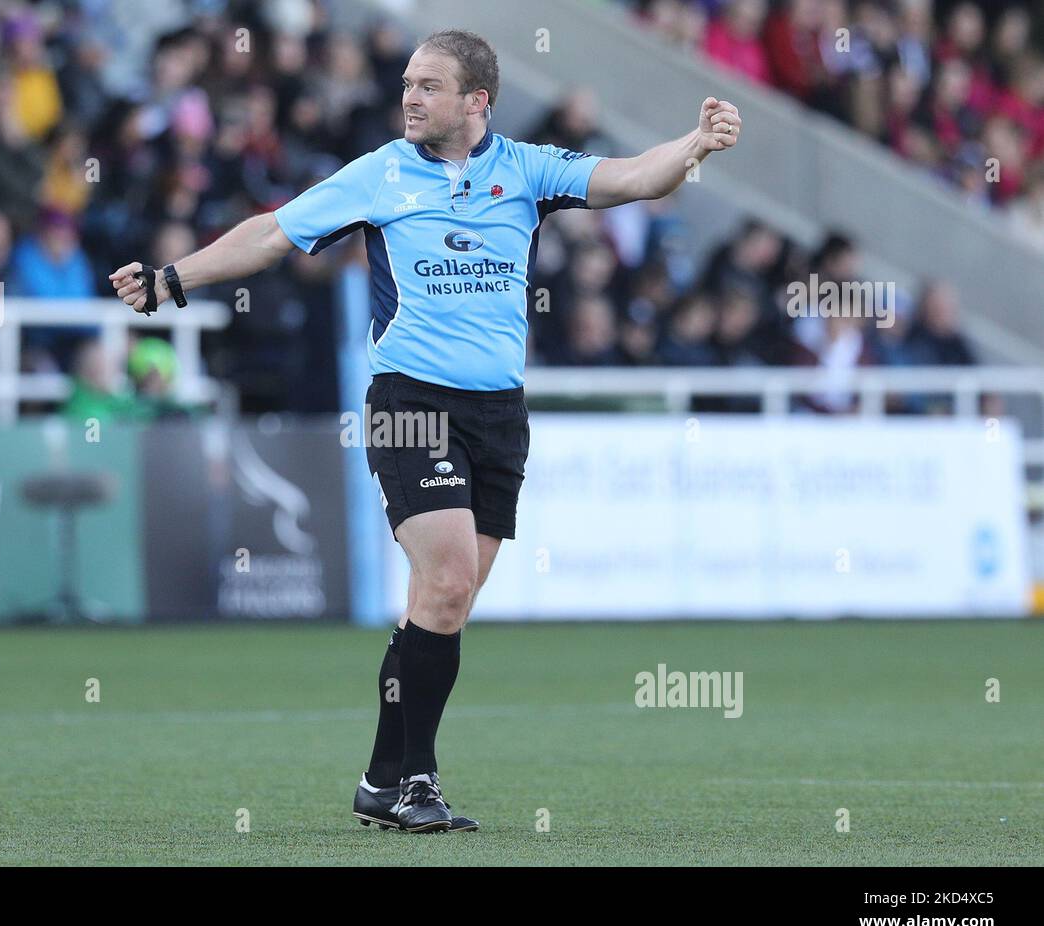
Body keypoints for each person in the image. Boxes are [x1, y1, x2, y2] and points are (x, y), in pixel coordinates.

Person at [109, 29, 742, 833]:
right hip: (410, 403)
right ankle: (418, 781)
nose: (410, 96)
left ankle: (380, 779)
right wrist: (172, 279)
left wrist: (694, 145)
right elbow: (273, 232)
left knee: (440, 607)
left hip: (498, 417)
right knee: (443, 585)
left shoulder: (528, 170)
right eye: (408, 83)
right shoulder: (379, 173)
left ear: (477, 101)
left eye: (430, 86)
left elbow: (628, 179)